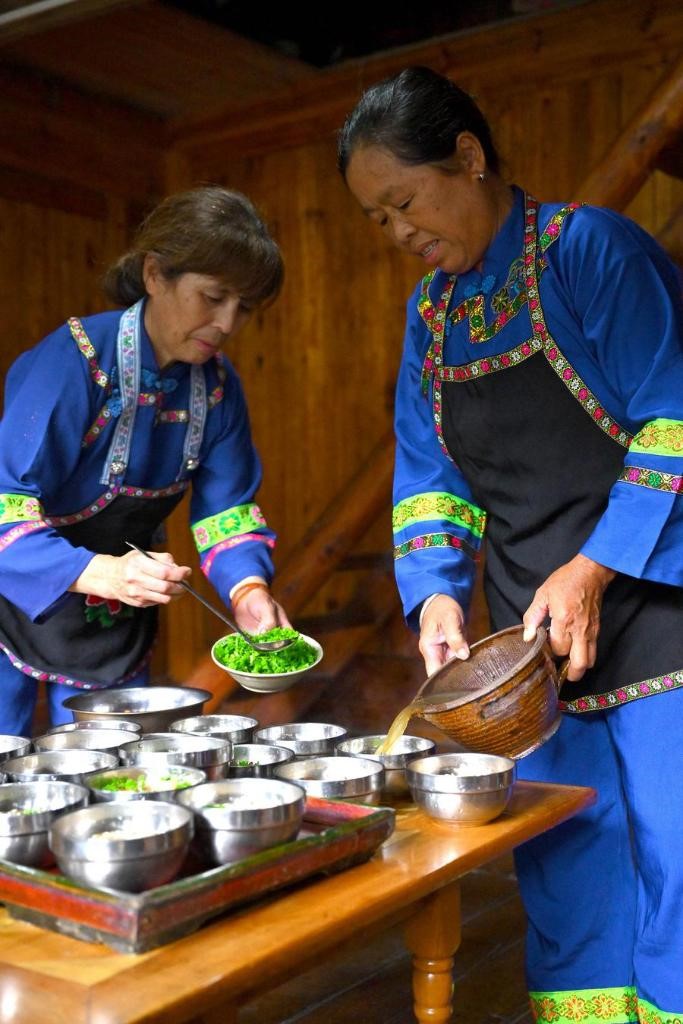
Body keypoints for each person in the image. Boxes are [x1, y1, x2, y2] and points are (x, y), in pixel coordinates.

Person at [338, 66, 683, 1023]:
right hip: (532, 643)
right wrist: (437, 596)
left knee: (680, 853)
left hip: (662, 607)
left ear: (469, 157)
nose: (400, 232)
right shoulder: (433, 315)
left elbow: (672, 420)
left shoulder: (588, 252)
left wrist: (593, 568)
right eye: (377, 219)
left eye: (404, 201)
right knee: (568, 862)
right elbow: (429, 477)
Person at [0, 186, 291, 736]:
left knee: (113, 784)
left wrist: (248, 590)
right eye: (214, 296)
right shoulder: (75, 360)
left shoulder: (219, 390)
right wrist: (103, 572)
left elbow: (226, 514)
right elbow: (3, 508)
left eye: (244, 306)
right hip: (11, 597)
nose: (228, 322)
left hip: (113, 623)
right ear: (156, 274)